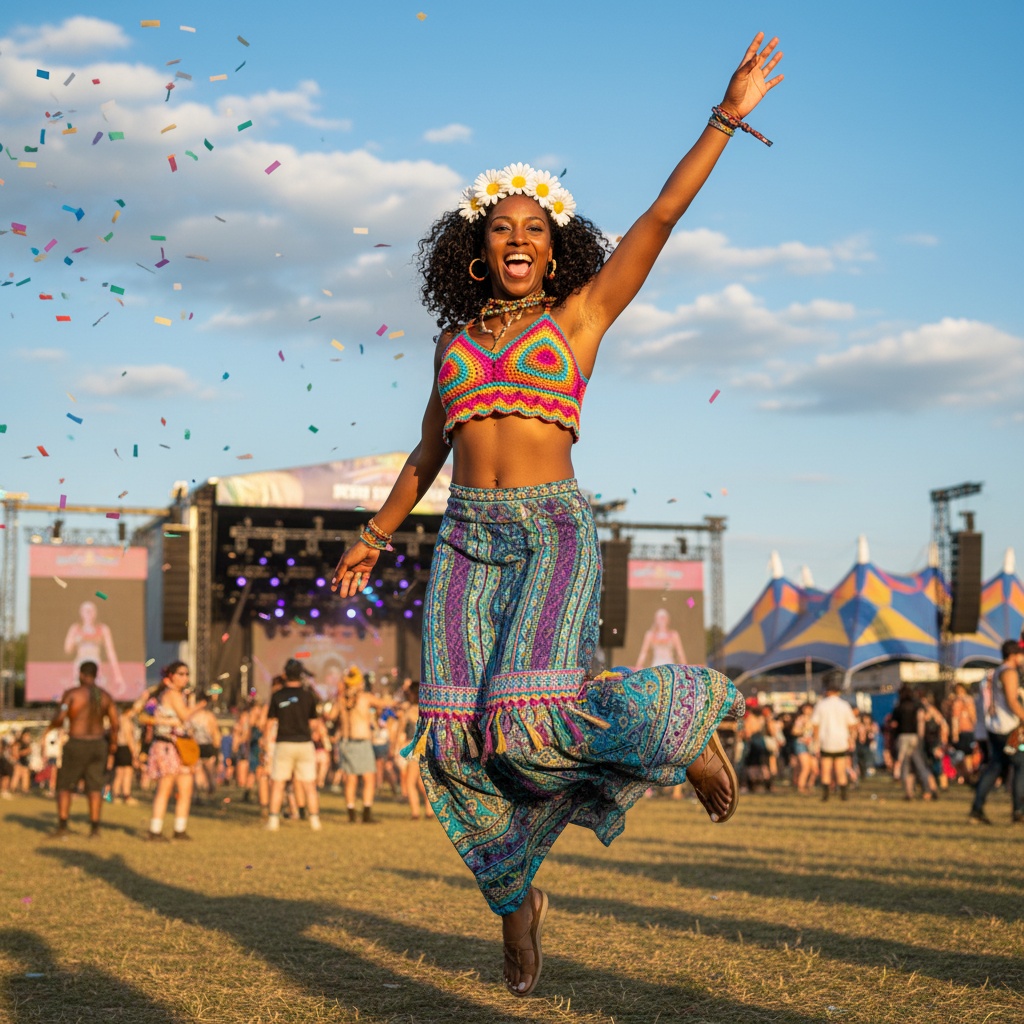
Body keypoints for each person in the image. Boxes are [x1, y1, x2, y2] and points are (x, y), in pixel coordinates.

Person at [330, 32, 781, 997]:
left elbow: (660, 217)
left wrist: (724, 119)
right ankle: (516, 902)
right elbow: (426, 454)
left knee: (529, 719)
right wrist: (374, 534)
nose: (521, 241)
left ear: (556, 242)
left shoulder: (580, 317)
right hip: (465, 540)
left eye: (537, 228)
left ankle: (679, 724)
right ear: (477, 246)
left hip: (552, 530)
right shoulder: (452, 344)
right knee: (455, 743)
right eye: (503, 229)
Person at [46, 661, 119, 838]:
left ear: (81, 674)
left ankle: (63, 826)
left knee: (64, 785)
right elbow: (115, 724)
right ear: (96, 674)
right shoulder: (105, 696)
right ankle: (95, 828)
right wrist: (112, 747)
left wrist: (53, 724)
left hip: (77, 744)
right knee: (94, 787)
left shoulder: (72, 694)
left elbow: (60, 717)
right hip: (98, 745)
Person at [139, 661, 204, 841]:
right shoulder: (171, 694)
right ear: (171, 676)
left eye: (187, 674)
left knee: (185, 788)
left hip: (182, 745)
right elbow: (184, 716)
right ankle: (155, 829)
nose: (185, 678)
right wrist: (201, 704)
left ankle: (180, 828)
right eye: (181, 674)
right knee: (165, 788)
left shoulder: (181, 695)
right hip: (168, 745)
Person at [969, 639, 1024, 825]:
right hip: (1008, 728)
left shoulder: (995, 672)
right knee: (1021, 764)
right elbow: (1012, 701)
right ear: (1013, 655)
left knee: (996, 766)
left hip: (994, 726)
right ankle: (1019, 810)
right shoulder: (1009, 672)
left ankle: (977, 808)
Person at [265, 659, 323, 832]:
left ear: (285, 674)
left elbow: (269, 724)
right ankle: (314, 821)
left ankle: (273, 821)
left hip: (284, 743)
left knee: (278, 783)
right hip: (304, 743)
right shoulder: (308, 695)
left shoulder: (278, 695)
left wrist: (265, 743)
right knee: (309, 785)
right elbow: (314, 723)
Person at [338, 666, 394, 823]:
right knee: (369, 778)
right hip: (361, 743)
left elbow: (332, 715)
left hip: (346, 743)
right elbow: (383, 703)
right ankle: (366, 813)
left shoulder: (342, 699)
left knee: (350, 779)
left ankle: (351, 813)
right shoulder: (364, 698)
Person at [811, 674, 858, 802]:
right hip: (841, 741)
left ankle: (825, 796)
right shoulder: (844, 705)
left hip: (826, 741)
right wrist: (851, 738)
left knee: (825, 769)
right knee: (840, 769)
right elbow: (852, 724)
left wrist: (816, 742)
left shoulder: (821, 705)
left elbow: (815, 725)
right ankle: (844, 796)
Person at [63, 600, 124, 694]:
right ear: (81, 613)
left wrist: (118, 675)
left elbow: (110, 652)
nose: (89, 614)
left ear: (95, 613)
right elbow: (67, 649)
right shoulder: (75, 628)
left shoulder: (103, 629)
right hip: (80, 664)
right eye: (86, 611)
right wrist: (76, 640)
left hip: (96, 665)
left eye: (91, 611)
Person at [891, 685, 938, 801]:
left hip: (903, 737)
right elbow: (922, 719)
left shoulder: (899, 707)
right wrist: (921, 738)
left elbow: (893, 724)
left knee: (906, 766)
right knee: (920, 765)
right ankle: (929, 789)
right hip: (915, 737)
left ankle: (909, 792)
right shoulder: (917, 705)